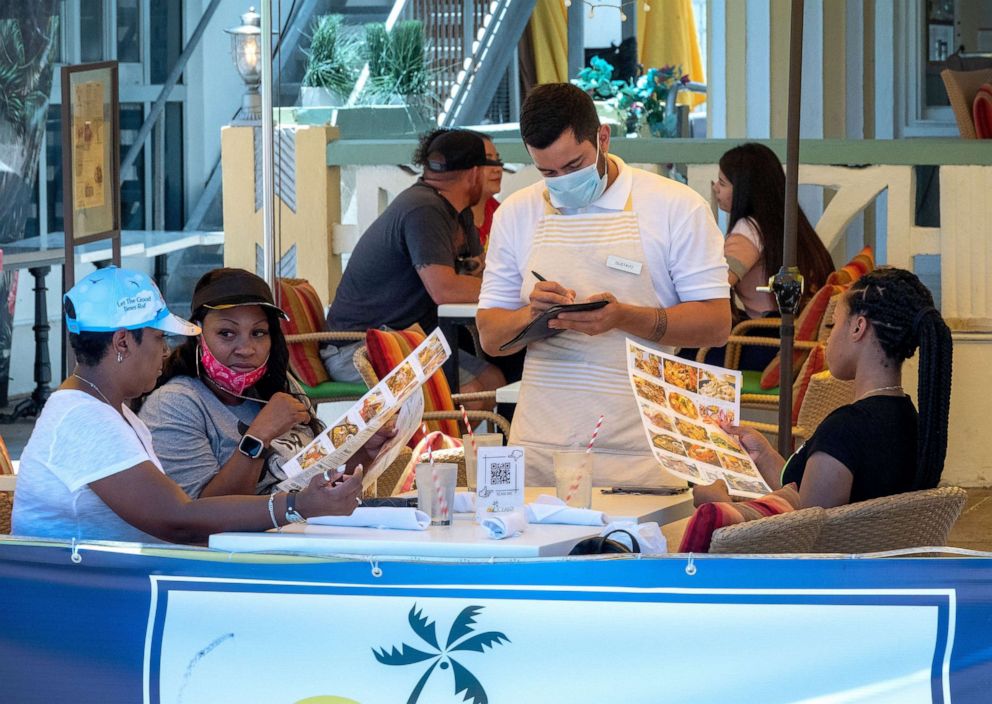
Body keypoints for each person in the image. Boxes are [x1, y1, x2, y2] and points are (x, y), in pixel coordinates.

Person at [476, 83, 731, 486]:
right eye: (547, 173)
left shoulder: (675, 207)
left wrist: (624, 317)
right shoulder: (516, 213)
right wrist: (532, 314)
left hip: (647, 441)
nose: (562, 180)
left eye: (574, 165)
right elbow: (490, 337)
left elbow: (716, 324)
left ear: (603, 137)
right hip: (543, 441)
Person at [12, 267, 364, 545]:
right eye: (159, 337)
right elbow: (178, 519)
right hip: (83, 608)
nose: (166, 351)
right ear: (122, 342)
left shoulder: (107, 410)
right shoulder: (83, 418)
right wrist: (296, 506)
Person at [693, 267, 953, 510]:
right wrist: (764, 454)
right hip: (871, 558)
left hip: (827, 558)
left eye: (832, 325)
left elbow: (804, 536)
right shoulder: (911, 421)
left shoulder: (845, 429)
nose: (827, 339)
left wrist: (718, 504)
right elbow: (806, 497)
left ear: (858, 327)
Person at [139, 268, 392, 499]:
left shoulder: (278, 385)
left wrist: (364, 452)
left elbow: (317, 483)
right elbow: (202, 516)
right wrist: (259, 436)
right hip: (246, 547)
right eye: (226, 333)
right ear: (198, 333)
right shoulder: (174, 404)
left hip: (307, 533)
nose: (246, 349)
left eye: (258, 333)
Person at [323, 129, 506, 399]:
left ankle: (450, 438)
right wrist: (512, 290)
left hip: (406, 340)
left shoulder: (457, 210)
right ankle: (434, 441)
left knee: (492, 380)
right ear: (474, 173)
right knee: (473, 391)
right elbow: (446, 290)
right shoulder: (423, 208)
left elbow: (479, 269)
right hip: (360, 349)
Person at [711, 143, 834, 320]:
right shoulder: (786, 223)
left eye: (722, 183)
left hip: (768, 336)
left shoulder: (748, 230)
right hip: (792, 329)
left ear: (744, 190)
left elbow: (716, 285)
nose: (715, 187)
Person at [471, 132, 504, 251]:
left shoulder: (501, 213)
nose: (498, 169)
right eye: (488, 161)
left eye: (498, 160)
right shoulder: (446, 218)